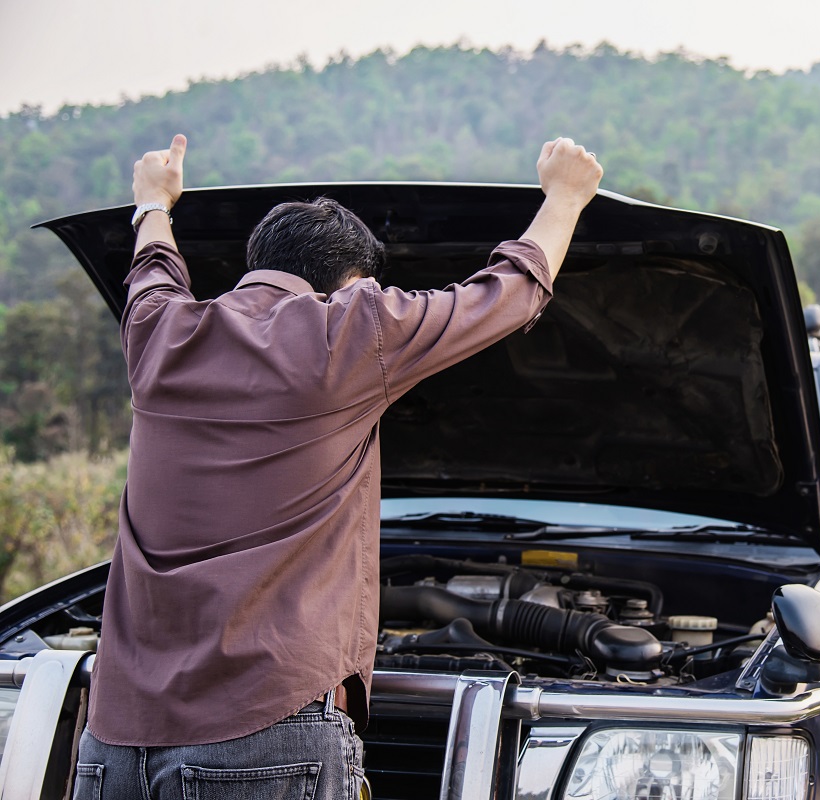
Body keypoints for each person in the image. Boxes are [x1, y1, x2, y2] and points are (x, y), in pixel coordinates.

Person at [74, 134, 603, 800]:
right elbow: (508, 294)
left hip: (114, 743)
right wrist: (566, 193)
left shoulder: (156, 331)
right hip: (263, 727)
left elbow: (154, 264)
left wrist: (153, 200)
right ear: (354, 283)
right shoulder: (350, 329)